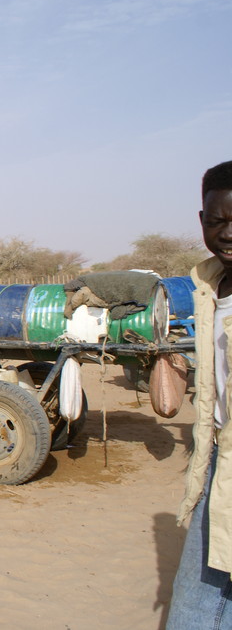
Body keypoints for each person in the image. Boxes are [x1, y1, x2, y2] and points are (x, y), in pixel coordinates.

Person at [167, 159, 232, 628]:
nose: (227, 233)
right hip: (219, 463)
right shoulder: (209, 286)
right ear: (202, 221)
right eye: (217, 221)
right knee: (197, 603)